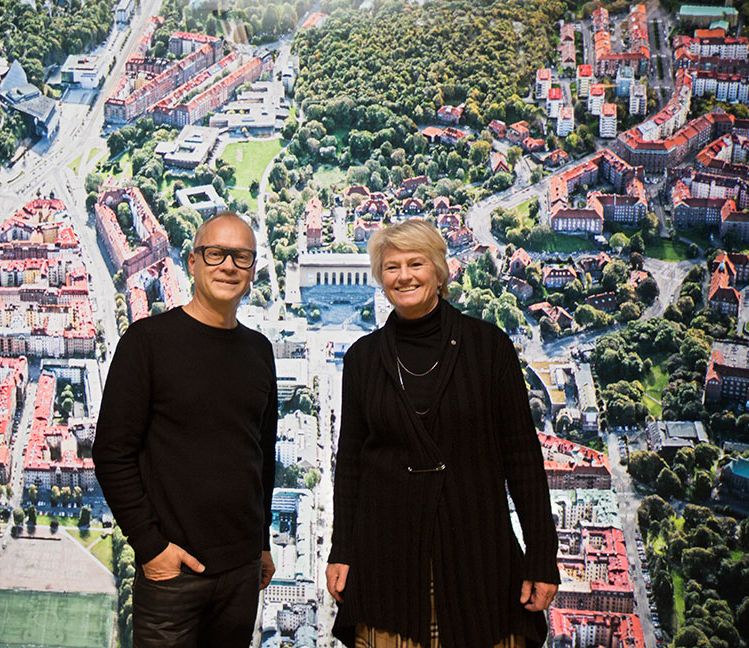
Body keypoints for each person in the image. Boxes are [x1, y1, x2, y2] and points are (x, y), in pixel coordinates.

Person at [325, 220, 560, 648]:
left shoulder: (489, 347)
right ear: (380, 278)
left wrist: (542, 557)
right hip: (387, 557)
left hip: (477, 553)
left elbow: (523, 461)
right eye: (391, 267)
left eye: (416, 263)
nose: (404, 276)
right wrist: (341, 549)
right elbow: (352, 466)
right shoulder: (362, 359)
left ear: (439, 271)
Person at [93, 212, 277, 647]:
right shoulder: (147, 342)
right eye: (216, 254)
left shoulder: (260, 351)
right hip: (172, 575)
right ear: (192, 262)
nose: (228, 266)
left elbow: (261, 455)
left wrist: (263, 542)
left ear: (252, 272)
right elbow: (111, 453)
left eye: (242, 257)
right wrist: (150, 547)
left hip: (241, 572)